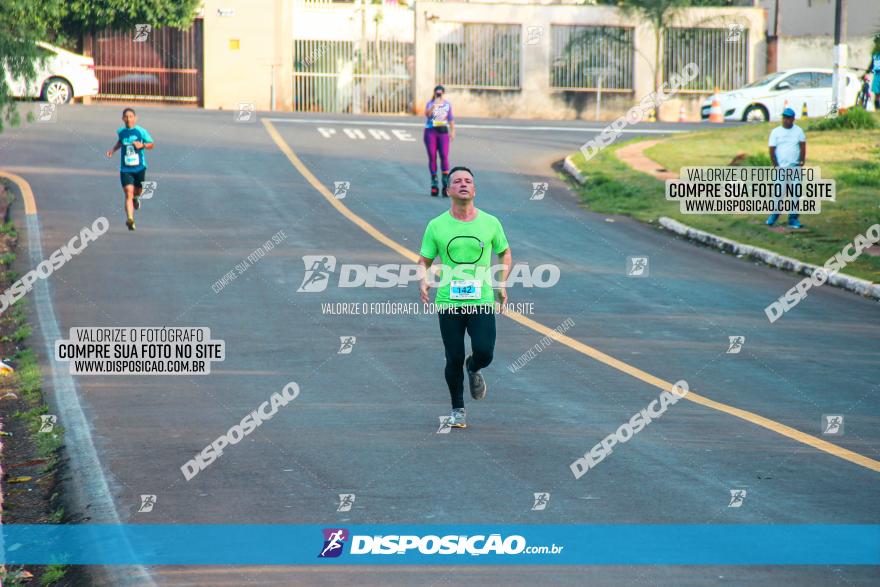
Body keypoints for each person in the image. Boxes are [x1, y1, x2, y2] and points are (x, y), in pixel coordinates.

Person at [418, 166, 511, 429]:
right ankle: (458, 409)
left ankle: (475, 367)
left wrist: (501, 282)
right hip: (449, 300)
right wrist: (423, 280)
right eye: (457, 181)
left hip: (481, 299)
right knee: (453, 356)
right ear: (448, 190)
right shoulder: (436, 225)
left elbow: (505, 252)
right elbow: (424, 259)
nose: (463, 184)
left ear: (474, 190)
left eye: (468, 181)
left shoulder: (491, 223)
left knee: (485, 351)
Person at [106, 108, 154, 231]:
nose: (128, 119)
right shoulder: (121, 132)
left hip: (140, 167)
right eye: (126, 117)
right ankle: (130, 219)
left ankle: (137, 198)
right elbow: (120, 142)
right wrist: (113, 150)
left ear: (135, 118)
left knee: (139, 191)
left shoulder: (141, 131)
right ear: (123, 119)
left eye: (131, 116)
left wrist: (142, 145)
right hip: (125, 169)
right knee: (128, 192)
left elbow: (151, 144)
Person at [766, 107, 806, 229]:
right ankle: (774, 215)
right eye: (784, 118)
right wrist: (776, 165)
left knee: (795, 193)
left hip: (794, 167)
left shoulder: (798, 131)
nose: (786, 120)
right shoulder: (775, 132)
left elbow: (802, 146)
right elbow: (772, 149)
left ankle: (793, 218)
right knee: (779, 193)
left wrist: (801, 161)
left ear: (793, 119)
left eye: (788, 118)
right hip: (781, 168)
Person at [423, 85, 455, 197]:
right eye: (437, 93)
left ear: (443, 93)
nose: (439, 95)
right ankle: (434, 182)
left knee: (444, 155)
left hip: (443, 132)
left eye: (440, 93)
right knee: (432, 156)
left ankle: (445, 183)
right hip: (430, 131)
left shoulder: (447, 104)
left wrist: (452, 131)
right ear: (435, 93)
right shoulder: (430, 103)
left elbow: (450, 119)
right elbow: (427, 115)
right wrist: (434, 104)